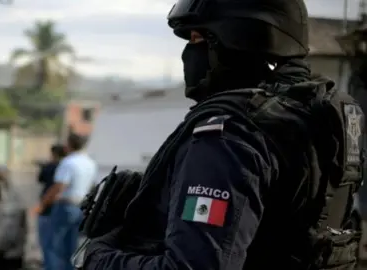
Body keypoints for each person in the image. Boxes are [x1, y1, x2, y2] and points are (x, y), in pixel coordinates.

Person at [81, 0, 364, 269]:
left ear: (234, 37)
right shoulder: (313, 119)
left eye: (195, 39)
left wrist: (97, 257)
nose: (187, 54)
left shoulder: (229, 135)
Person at [33, 133, 97, 270]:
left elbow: (59, 186)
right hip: (80, 207)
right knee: (71, 248)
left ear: (69, 145)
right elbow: (92, 186)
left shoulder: (68, 162)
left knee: (53, 247)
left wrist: (42, 204)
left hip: (65, 206)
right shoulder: (90, 162)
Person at [34, 143, 67, 270]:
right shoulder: (66, 166)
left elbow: (41, 179)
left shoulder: (51, 166)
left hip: (48, 208)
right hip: (62, 207)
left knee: (47, 243)